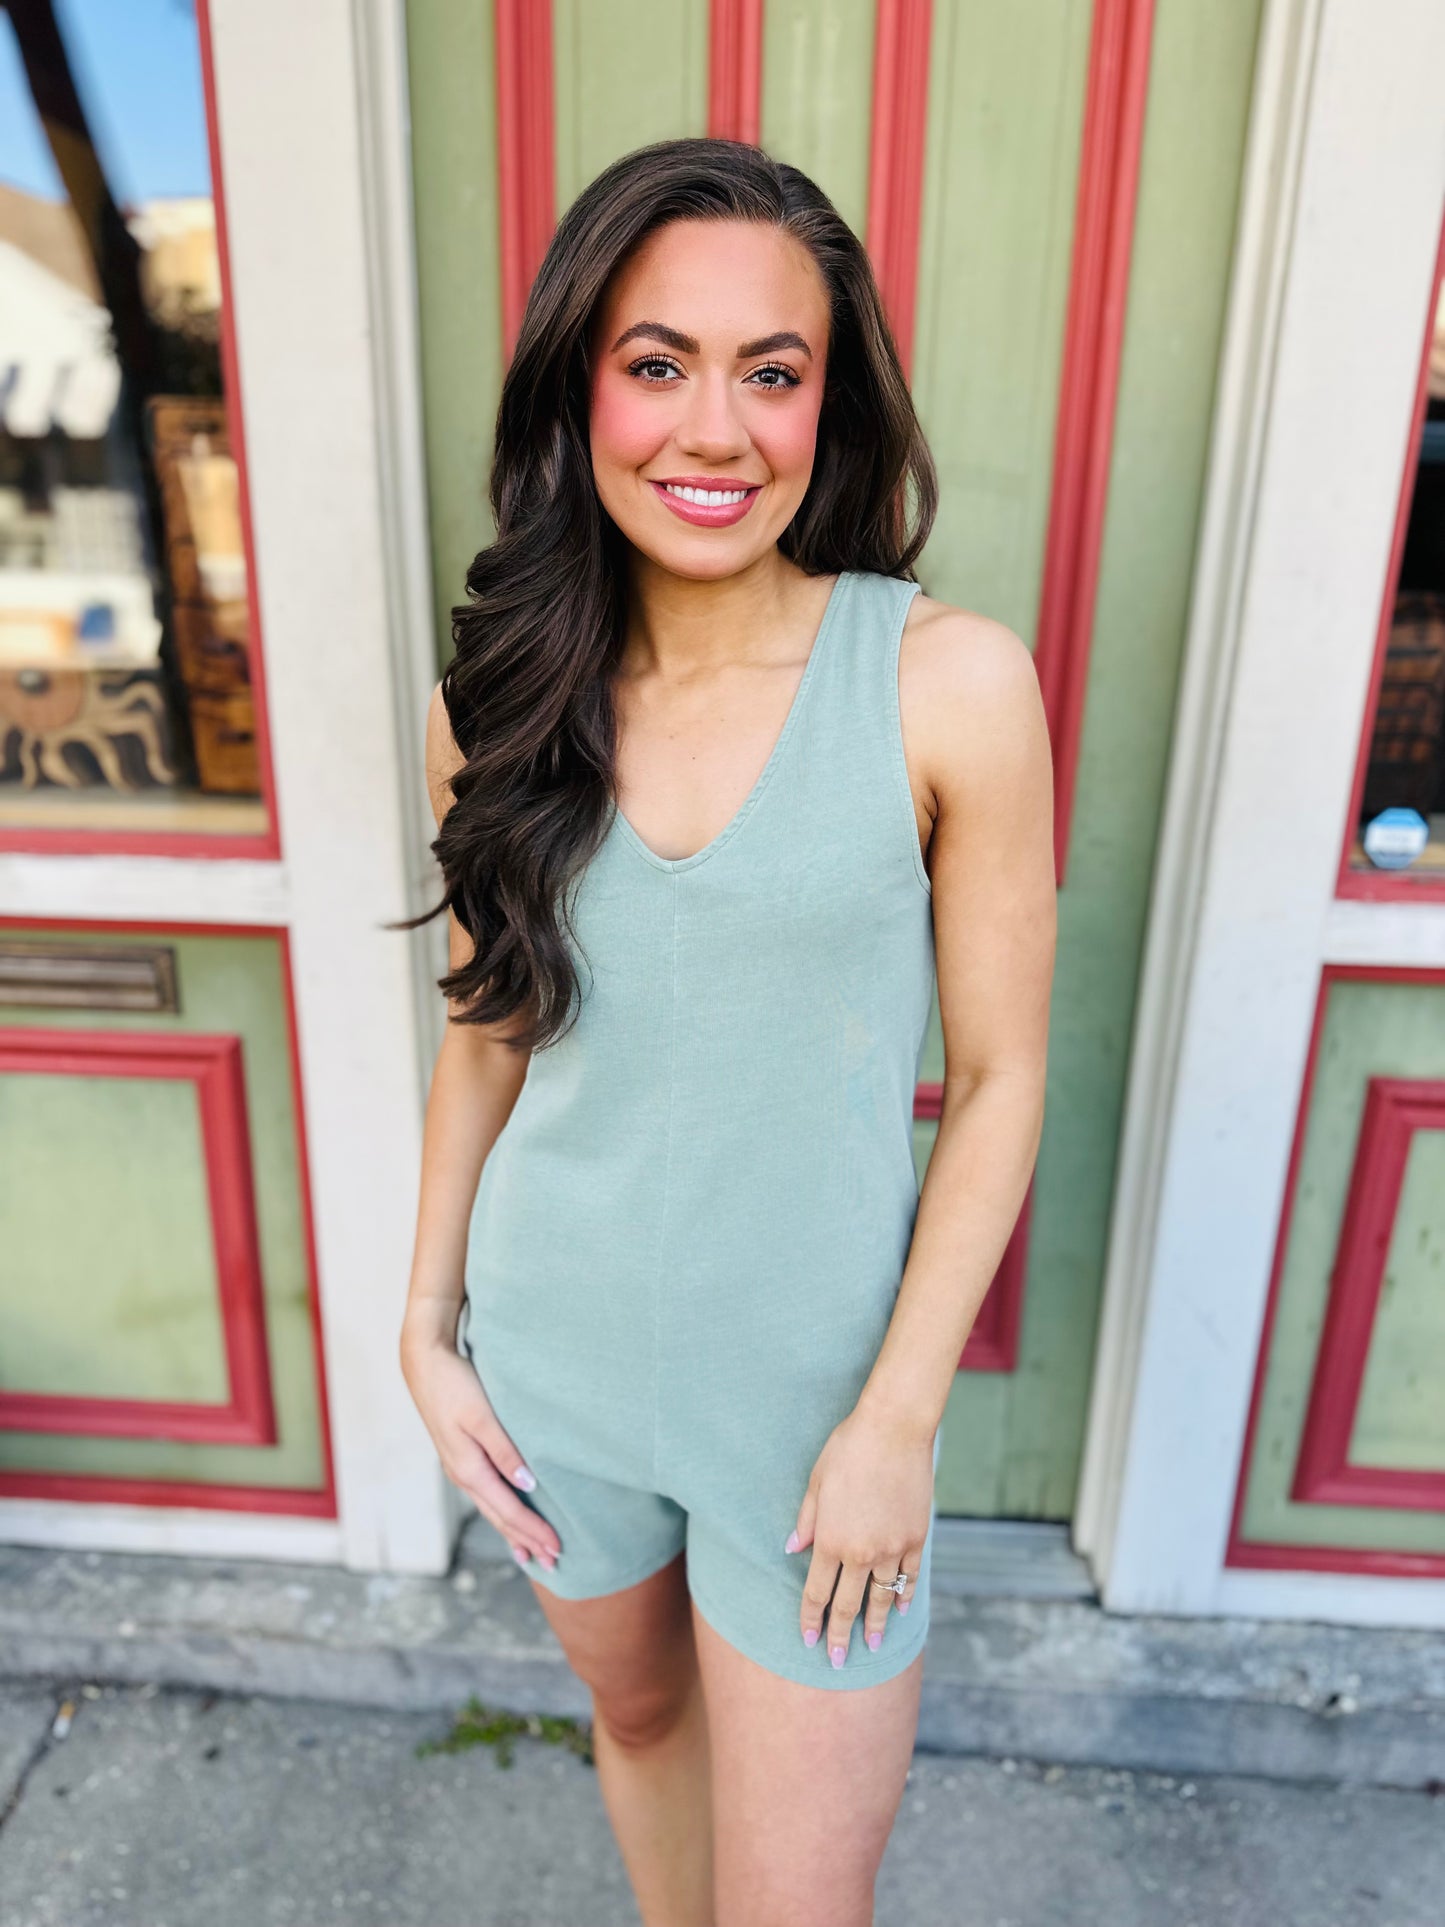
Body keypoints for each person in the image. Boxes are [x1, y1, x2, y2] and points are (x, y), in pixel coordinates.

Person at [399, 137, 1056, 1927]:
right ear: (578, 388)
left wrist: (897, 1423)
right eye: (656, 363)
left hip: (815, 1419)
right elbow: (490, 1031)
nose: (715, 430)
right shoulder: (496, 705)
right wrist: (426, 1323)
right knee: (634, 1716)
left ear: (830, 407)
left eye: (771, 372)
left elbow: (1001, 1080)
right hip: (555, 1367)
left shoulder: (945, 685)